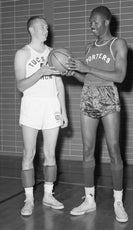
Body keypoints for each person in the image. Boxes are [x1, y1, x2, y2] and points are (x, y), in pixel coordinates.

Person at [66, 6, 128, 222]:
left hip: (108, 96)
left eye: (95, 21)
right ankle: (89, 199)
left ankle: (118, 202)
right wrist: (74, 72)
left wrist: (87, 68)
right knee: (87, 149)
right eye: (90, 21)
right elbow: (87, 78)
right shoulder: (90, 47)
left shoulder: (117, 44)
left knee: (113, 148)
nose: (91, 24)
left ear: (106, 22)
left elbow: (119, 76)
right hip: (88, 95)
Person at [14, 16, 68, 216]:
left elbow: (59, 84)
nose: (46, 29)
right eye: (42, 27)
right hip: (31, 105)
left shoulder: (54, 53)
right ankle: (29, 199)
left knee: (51, 153)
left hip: (51, 105)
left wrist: (63, 110)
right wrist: (40, 71)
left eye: (47, 26)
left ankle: (48, 195)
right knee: (29, 154)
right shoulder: (22, 53)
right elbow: (21, 85)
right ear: (31, 30)